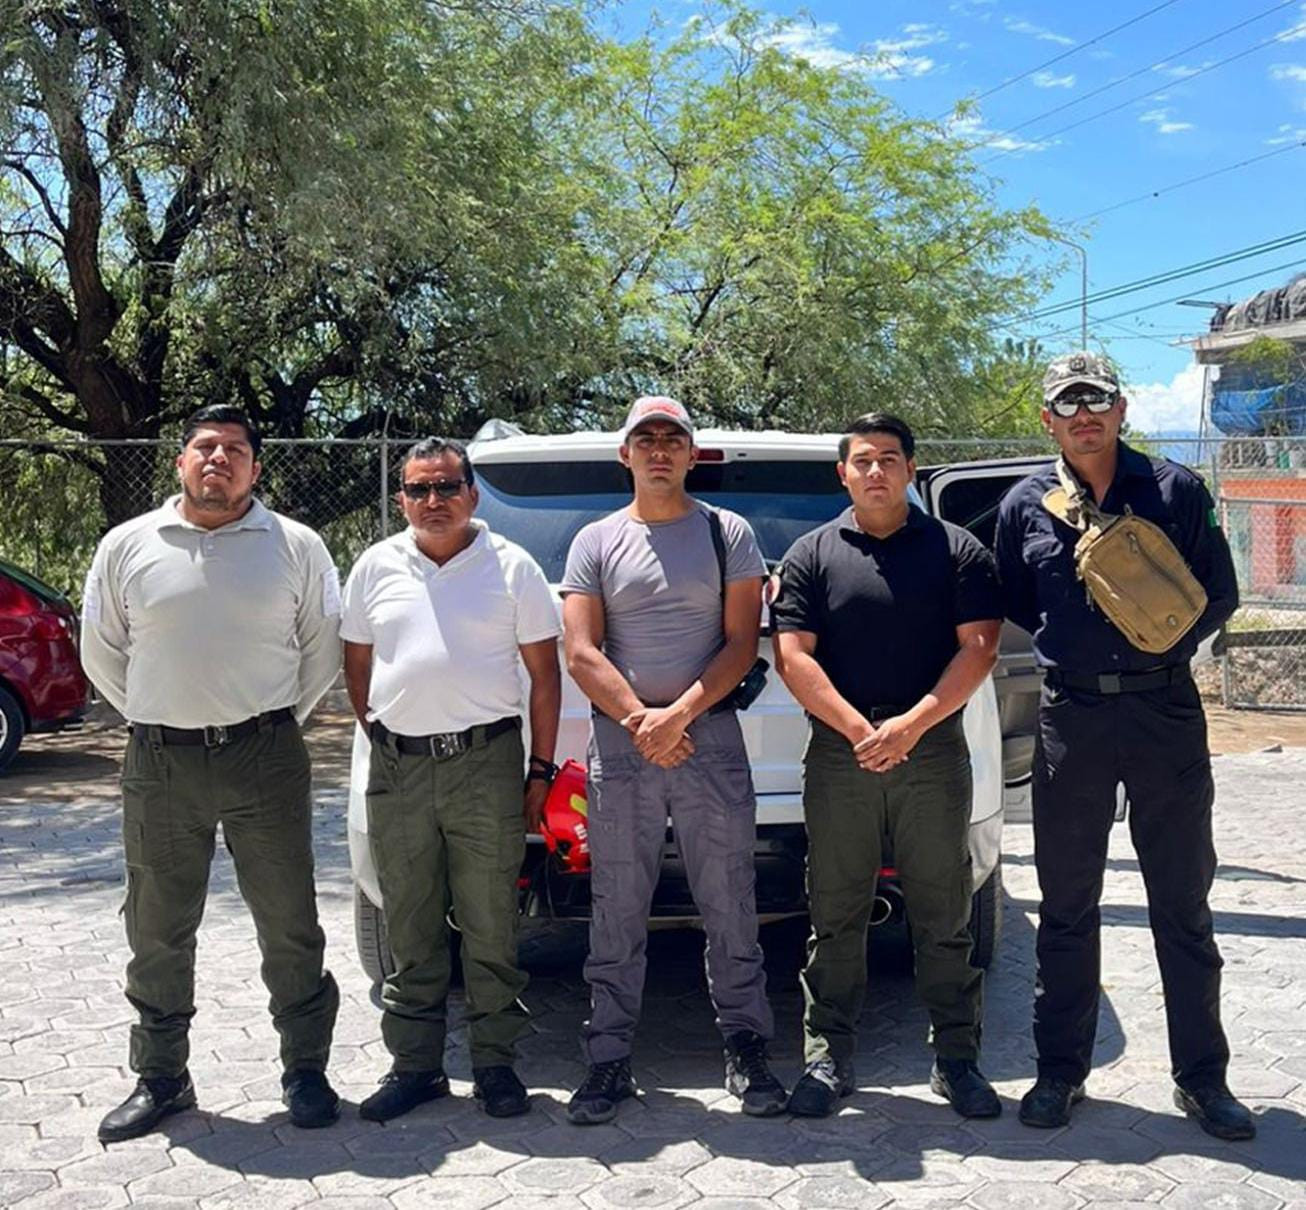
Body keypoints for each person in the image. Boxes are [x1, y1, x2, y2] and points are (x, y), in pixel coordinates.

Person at [994, 352, 1254, 1140]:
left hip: (1163, 712)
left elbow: (1220, 595)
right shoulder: (1025, 505)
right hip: (1071, 717)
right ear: (1048, 420)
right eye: (1068, 405)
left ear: (1121, 410)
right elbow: (1017, 600)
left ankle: (1203, 1080)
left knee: (1183, 902)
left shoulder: (1176, 490)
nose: (1084, 416)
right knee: (1067, 905)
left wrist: (1153, 646)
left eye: (1096, 401)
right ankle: (1060, 1073)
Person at [81, 406, 342, 1142]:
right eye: (205, 447)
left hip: (265, 756)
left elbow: (321, 647)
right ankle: (162, 1077)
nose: (218, 459)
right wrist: (155, 713)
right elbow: (100, 648)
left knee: (289, 921)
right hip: (161, 761)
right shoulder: (127, 544)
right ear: (180, 462)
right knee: (157, 924)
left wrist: (274, 719)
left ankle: (306, 1070)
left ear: (256, 467)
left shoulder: (297, 545)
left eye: (234, 449)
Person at [771, 413, 1005, 1119]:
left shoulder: (958, 550)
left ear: (910, 469)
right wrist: (859, 730)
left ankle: (957, 1059)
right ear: (842, 473)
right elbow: (793, 656)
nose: (876, 471)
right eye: (863, 460)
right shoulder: (810, 555)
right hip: (841, 756)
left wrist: (909, 726)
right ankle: (826, 1057)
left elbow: (979, 649)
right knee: (835, 912)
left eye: (890, 459)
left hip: (930, 752)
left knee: (943, 913)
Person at [560, 395, 786, 1124]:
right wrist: (641, 721)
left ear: (692, 454)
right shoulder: (594, 540)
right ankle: (607, 1058)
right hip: (621, 746)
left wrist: (677, 717)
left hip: (708, 742)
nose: (659, 450)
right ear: (624, 454)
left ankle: (748, 1048)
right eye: (646, 439)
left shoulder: (728, 532)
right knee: (616, 906)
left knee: (730, 901)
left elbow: (742, 643)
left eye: (673, 439)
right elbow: (580, 650)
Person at [340, 436, 561, 1122]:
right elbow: (357, 666)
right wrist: (390, 734)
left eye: (446, 486)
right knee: (409, 924)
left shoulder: (513, 566)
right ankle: (416, 1068)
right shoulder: (375, 566)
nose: (433, 500)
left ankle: (495, 1066)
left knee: (489, 923)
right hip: (400, 768)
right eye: (419, 489)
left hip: (484, 765)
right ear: (401, 498)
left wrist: (539, 770)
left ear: (472, 493)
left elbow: (545, 678)